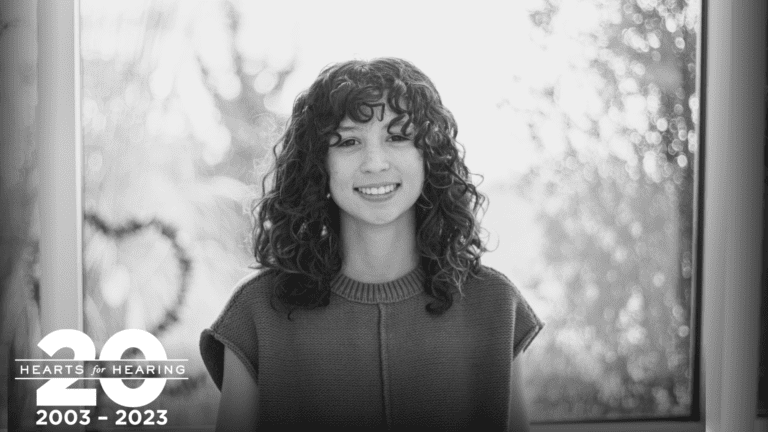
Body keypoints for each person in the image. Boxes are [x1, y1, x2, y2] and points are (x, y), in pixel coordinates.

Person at [199, 57, 544, 431]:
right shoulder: (256, 312)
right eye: (349, 141)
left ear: (429, 155)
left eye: (397, 137)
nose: (375, 163)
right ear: (319, 164)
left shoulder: (494, 305)